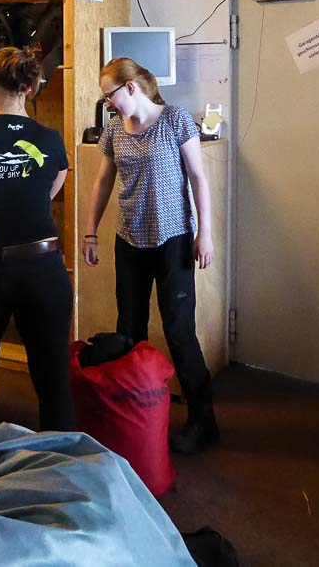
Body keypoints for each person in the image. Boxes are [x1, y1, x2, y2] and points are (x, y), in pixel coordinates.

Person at [82, 56, 218, 453]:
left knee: (179, 332)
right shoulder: (113, 130)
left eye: (109, 95)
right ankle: (136, 418)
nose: (107, 103)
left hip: (173, 239)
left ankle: (204, 423)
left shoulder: (175, 120)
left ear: (130, 87)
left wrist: (205, 234)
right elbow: (102, 182)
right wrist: (90, 232)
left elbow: (198, 179)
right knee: (130, 331)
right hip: (130, 241)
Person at [0, 46, 74, 431]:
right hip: (44, 268)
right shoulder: (51, 139)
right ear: (30, 87)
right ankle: (60, 457)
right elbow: (48, 193)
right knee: (53, 379)